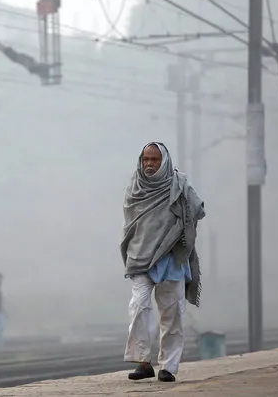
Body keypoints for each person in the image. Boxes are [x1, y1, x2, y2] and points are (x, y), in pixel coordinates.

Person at [120, 142, 205, 382]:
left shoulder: (179, 185)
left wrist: (180, 229)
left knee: (172, 313)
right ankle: (143, 362)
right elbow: (130, 224)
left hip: (171, 257)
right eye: (145, 159)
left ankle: (168, 366)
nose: (149, 164)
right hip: (140, 258)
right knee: (138, 306)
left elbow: (197, 209)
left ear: (164, 161)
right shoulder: (135, 188)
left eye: (154, 160)